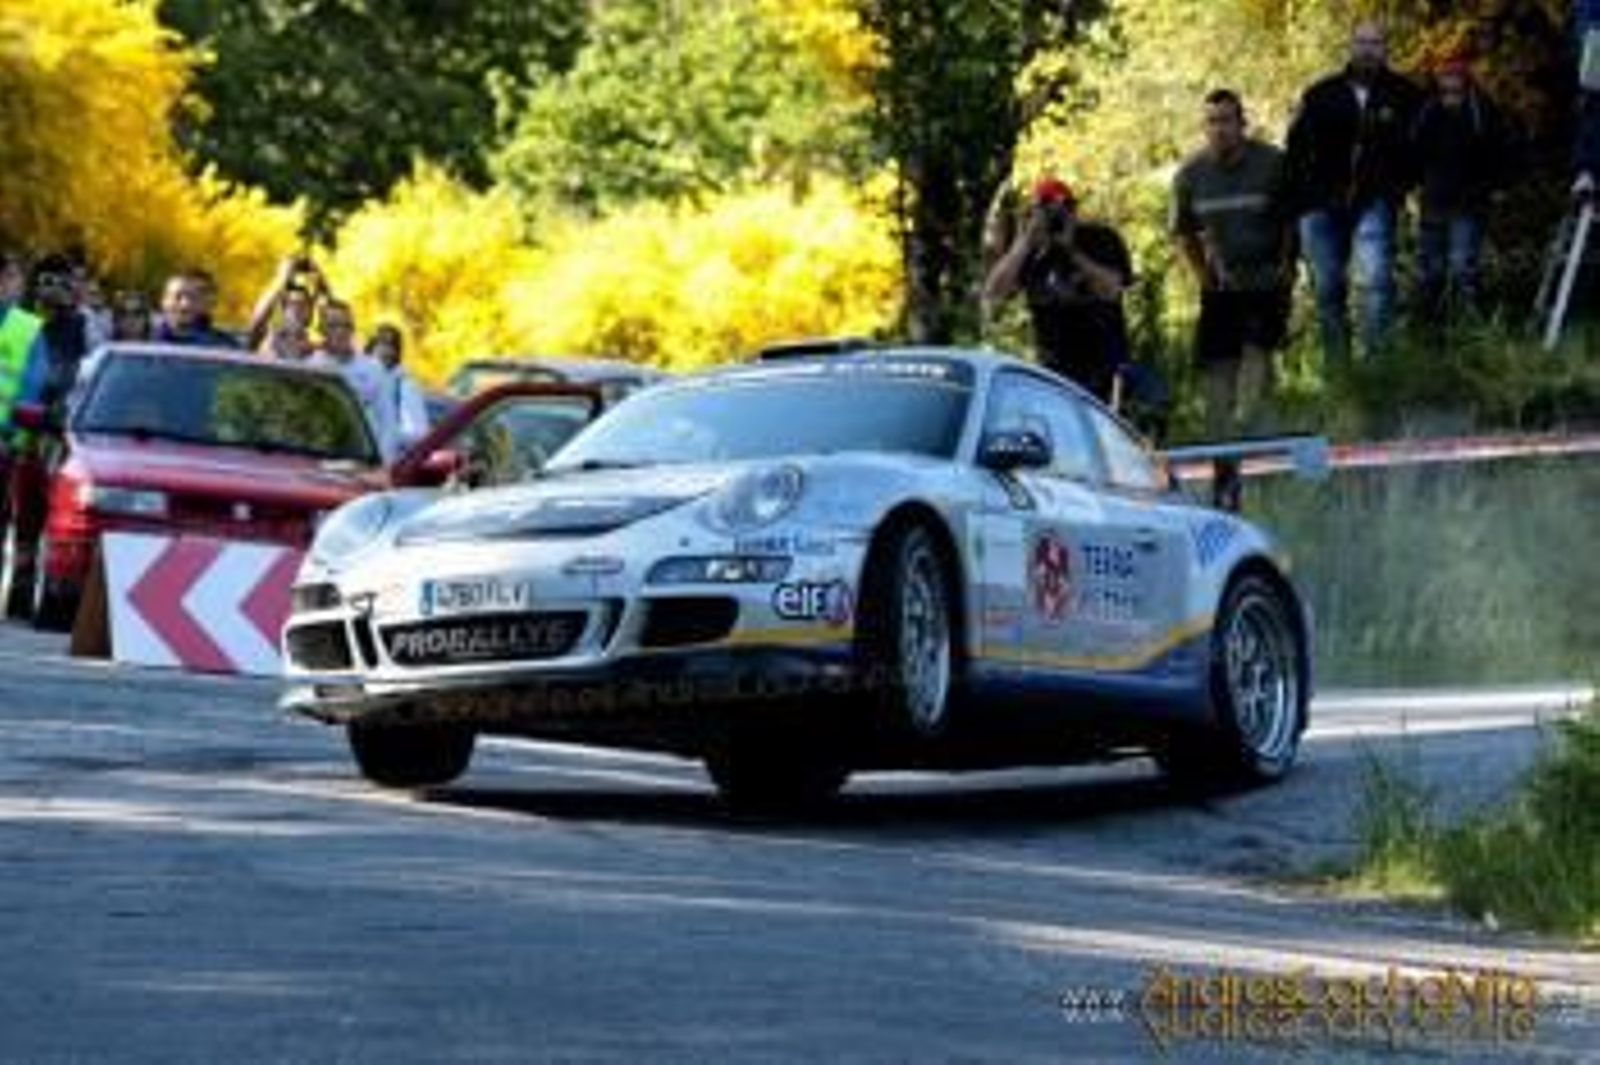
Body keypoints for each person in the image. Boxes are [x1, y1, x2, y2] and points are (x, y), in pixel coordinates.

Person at [1286, 20, 1423, 364]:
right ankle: (1339, 371)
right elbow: (1296, 148)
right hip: (1320, 202)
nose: (1367, 49)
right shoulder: (1320, 93)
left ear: (1385, 49)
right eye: (1361, 42)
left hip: (1374, 200)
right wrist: (1302, 200)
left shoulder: (1405, 94)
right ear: (1350, 47)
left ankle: (1378, 367)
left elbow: (1421, 147)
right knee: (1328, 288)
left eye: (1375, 43)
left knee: (1376, 281)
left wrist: (1399, 186)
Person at [1171, 89, 1295, 435]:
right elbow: (1184, 233)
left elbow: (1291, 219)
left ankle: (1251, 425)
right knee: (1219, 363)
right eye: (1212, 122)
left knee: (1258, 351)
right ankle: (1220, 434)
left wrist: (1287, 265)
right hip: (1221, 282)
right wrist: (1202, 275)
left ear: (1242, 123)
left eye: (1226, 120)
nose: (1219, 129)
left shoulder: (1272, 162)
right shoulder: (1190, 174)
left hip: (1266, 277)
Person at [983, 176, 1134, 403]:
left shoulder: (1101, 239)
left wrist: (1072, 251)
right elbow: (994, 293)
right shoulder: (1031, 251)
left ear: (1075, 210)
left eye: (1065, 210)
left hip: (1107, 374)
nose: (1056, 218)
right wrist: (1023, 242)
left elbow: (1112, 290)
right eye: (1046, 213)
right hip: (1055, 377)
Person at [1410, 54, 1513, 325]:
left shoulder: (1481, 109)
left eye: (1455, 75)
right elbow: (1413, 150)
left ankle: (1470, 330)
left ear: (1465, 79)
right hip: (1434, 201)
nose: (1450, 81)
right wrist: (1414, 183)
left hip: (1469, 203)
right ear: (1438, 79)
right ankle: (1428, 330)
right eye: (1445, 75)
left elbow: (1499, 149)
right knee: (1430, 271)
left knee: (1462, 268)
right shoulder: (1427, 109)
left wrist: (1498, 185)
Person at [308, 299, 397, 459]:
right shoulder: (311, 367)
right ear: (321, 330)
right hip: (322, 456)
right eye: (333, 325)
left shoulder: (373, 368)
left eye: (346, 325)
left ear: (353, 329)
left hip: (365, 460)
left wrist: (384, 461)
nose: (341, 331)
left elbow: (388, 422)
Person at [246, 253, 329, 353]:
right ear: (283, 307)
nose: (298, 310)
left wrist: (320, 281)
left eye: (304, 305)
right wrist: (281, 279)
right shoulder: (268, 339)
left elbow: (334, 315)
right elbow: (257, 322)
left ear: (311, 312)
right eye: (294, 304)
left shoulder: (313, 348)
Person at [367, 323, 430, 451]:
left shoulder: (404, 385)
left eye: (391, 345)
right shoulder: (362, 381)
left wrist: (386, 435)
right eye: (381, 344)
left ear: (397, 352)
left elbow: (419, 434)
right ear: (371, 348)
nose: (386, 351)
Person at [152, 269, 239, 347]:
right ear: (163, 300)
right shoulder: (147, 341)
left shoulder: (224, 347)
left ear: (209, 303)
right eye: (177, 297)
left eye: (194, 297)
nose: (185, 305)